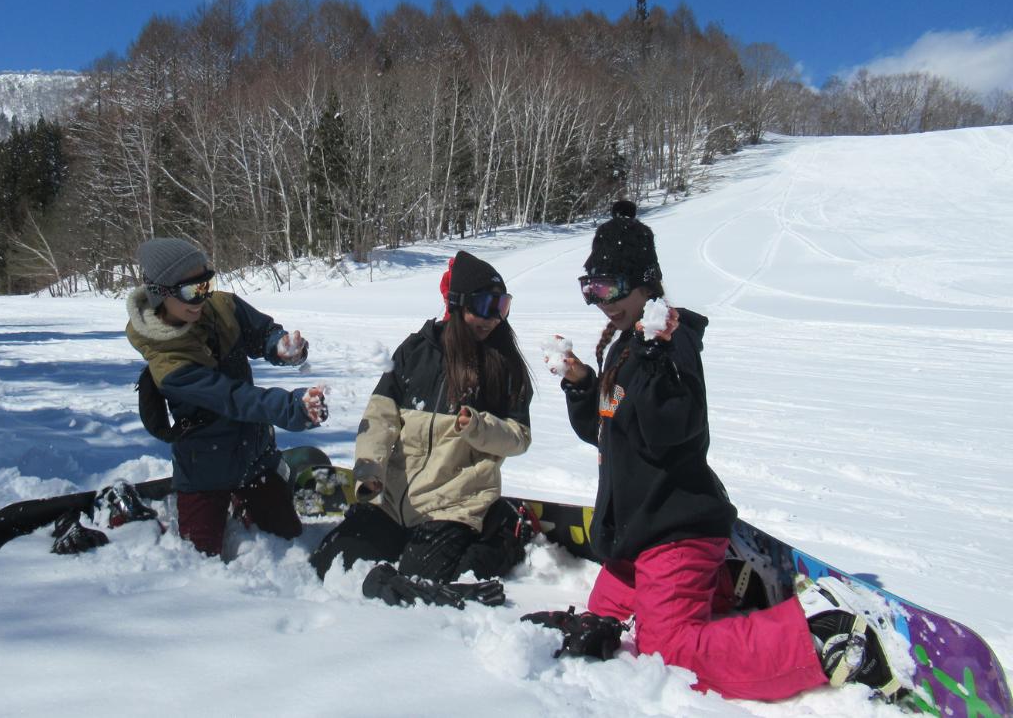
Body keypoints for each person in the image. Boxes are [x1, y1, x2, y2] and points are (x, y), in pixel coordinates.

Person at [546, 201, 901, 702]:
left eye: (611, 287)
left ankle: (822, 637)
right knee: (603, 615)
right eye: (592, 288)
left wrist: (651, 359)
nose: (602, 301)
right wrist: (581, 384)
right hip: (637, 534)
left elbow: (671, 428)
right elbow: (606, 432)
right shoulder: (624, 344)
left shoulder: (669, 340)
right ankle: (717, 586)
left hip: (676, 528)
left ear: (646, 280)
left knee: (666, 651)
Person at [310, 250, 533, 589]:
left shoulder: (502, 365)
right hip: (394, 502)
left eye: (502, 307)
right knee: (331, 560)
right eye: (486, 306)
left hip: (451, 504)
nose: (494, 319)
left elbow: (518, 438)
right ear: (458, 304)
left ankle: (503, 531)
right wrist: (369, 472)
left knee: (422, 584)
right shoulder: (416, 351)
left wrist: (478, 427)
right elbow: (380, 416)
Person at [125, 237, 327, 559]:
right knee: (200, 556)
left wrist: (281, 347)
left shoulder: (221, 306)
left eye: (206, 284)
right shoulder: (169, 363)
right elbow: (234, 398)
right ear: (161, 293)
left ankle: (251, 496)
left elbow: (261, 333)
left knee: (288, 537)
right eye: (192, 291)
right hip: (205, 468)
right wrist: (292, 408)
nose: (201, 298)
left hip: (254, 454)